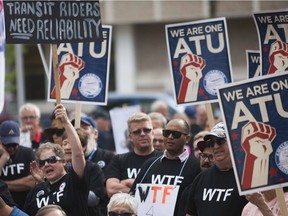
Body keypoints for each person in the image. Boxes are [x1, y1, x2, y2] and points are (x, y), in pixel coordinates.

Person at [23, 104, 89, 216]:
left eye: (52, 159)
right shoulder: (36, 190)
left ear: (63, 161)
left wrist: (66, 122)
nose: (46, 164)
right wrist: (41, 183)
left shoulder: (73, 181)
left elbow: (78, 154)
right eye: (42, 162)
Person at [130, 118, 200, 216]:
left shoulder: (196, 166)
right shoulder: (150, 164)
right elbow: (132, 196)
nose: (170, 137)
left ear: (187, 139)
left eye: (176, 134)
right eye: (167, 133)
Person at [185, 122, 248, 216]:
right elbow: (190, 213)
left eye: (220, 141)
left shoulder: (248, 177)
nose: (216, 146)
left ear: (235, 142)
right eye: (211, 143)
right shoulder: (201, 178)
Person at [105, 112, 162, 197]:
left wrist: (128, 183)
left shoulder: (164, 159)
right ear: (130, 137)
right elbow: (111, 189)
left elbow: (168, 190)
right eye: (137, 132)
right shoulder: (119, 160)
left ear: (152, 133)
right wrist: (145, 192)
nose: (142, 134)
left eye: (146, 130)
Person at [62, 128, 106, 216]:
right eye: (64, 143)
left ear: (83, 147)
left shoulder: (93, 168)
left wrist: (66, 194)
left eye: (71, 143)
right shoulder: (57, 169)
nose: (67, 147)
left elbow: (94, 199)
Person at [0, 120, 36, 210]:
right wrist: (4, 157)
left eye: (14, 144)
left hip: (26, 206)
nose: (11, 148)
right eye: (7, 145)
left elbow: (32, 181)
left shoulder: (27, 152)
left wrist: (2, 185)